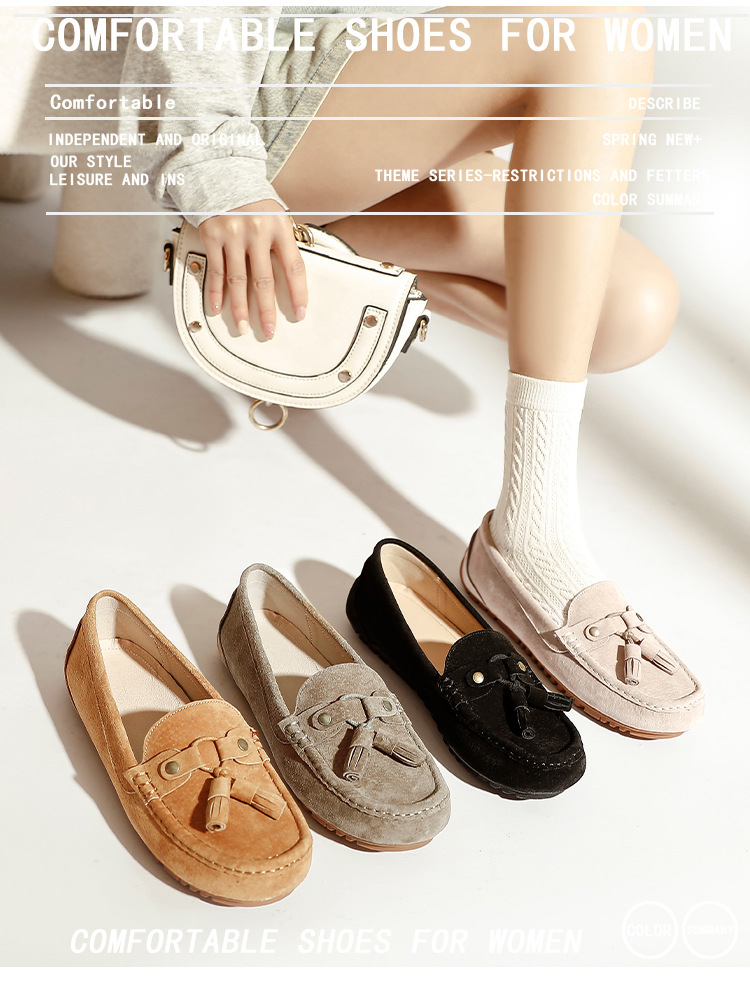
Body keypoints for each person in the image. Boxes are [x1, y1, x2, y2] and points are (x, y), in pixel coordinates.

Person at [123, 5, 704, 736]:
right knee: (596, 29)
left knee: (630, 313)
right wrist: (219, 172)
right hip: (268, 90)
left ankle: (318, 252)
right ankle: (534, 530)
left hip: (378, 90)